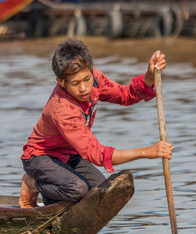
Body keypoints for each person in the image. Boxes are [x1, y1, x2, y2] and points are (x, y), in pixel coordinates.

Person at [19, 39, 173, 208]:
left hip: (69, 155)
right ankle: (33, 183)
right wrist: (147, 152)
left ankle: (53, 203)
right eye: (75, 83)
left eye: (86, 79)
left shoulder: (95, 80)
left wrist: (150, 74)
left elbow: (125, 95)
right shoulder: (63, 110)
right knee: (78, 189)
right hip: (41, 157)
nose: (84, 88)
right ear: (61, 82)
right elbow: (97, 155)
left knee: (99, 190)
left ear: (91, 71)